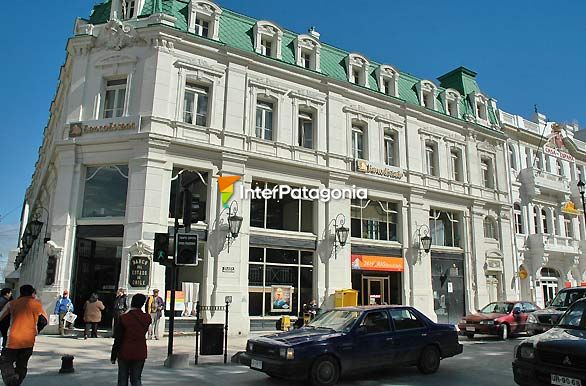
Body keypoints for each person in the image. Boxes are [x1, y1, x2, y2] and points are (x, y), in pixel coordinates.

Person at [0, 285, 47, 386]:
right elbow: (44, 320)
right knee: (22, 364)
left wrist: (4, 330)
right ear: (32, 293)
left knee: (5, 361)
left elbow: (1, 317)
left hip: (12, 339)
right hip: (29, 340)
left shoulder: (11, 304)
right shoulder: (37, 304)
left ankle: (11, 380)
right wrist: (36, 330)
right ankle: (17, 381)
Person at [111, 294, 151, 386]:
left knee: (122, 379)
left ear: (131, 302)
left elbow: (118, 338)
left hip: (125, 350)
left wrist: (114, 354)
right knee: (136, 379)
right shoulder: (147, 318)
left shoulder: (124, 318)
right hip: (140, 350)